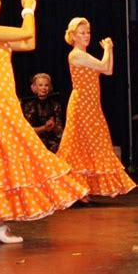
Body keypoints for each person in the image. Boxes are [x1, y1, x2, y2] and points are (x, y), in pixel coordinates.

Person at [0, 0, 88, 243]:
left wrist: (31, 8)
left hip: (1, 96)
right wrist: (27, 8)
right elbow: (25, 31)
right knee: (9, 152)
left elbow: (29, 41)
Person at [56, 17, 136, 200]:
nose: (86, 36)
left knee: (89, 145)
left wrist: (110, 50)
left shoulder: (85, 55)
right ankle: (70, 187)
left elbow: (108, 70)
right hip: (81, 105)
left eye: (88, 32)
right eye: (82, 33)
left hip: (91, 105)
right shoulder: (76, 54)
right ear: (73, 36)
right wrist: (107, 49)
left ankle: (80, 188)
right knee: (77, 145)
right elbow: (103, 65)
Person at [22, 73, 63, 153]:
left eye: (46, 85)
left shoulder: (55, 105)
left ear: (50, 88)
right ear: (34, 88)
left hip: (52, 142)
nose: (44, 88)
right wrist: (44, 128)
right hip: (35, 141)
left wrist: (53, 126)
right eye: (40, 85)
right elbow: (27, 131)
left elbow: (60, 132)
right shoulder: (28, 106)